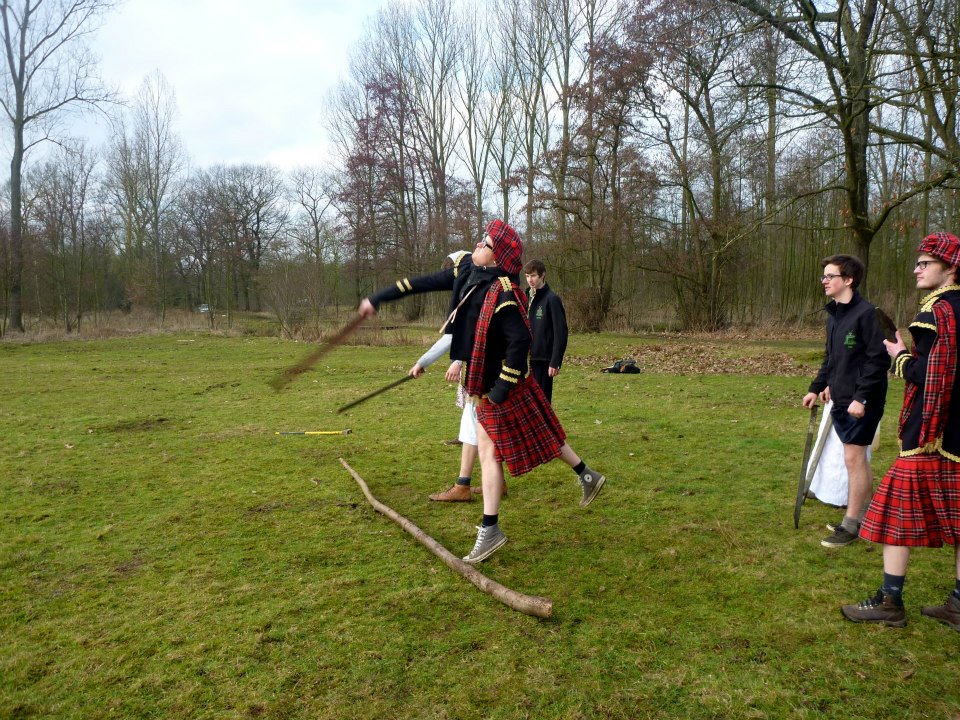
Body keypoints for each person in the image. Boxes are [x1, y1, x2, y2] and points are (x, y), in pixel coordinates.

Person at [358, 220, 606, 564]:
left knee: (519, 440)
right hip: (482, 386)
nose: (478, 243)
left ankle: (492, 528)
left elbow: (521, 342)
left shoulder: (505, 292)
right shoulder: (465, 271)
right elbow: (419, 283)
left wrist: (502, 387)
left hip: (500, 385)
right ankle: (584, 477)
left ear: (497, 256)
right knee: (535, 432)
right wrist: (378, 297)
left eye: (486, 242)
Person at [841, 232, 960, 632]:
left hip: (930, 432)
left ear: (951, 268)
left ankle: (891, 601)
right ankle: (959, 605)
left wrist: (900, 355)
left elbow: (932, 373)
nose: (916, 268)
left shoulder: (938, 312)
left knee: (896, 515)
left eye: (925, 263)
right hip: (957, 431)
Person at [802, 254, 889, 548]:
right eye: (823, 276)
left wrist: (861, 397)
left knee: (854, 459)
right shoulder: (835, 315)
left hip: (861, 402)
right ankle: (864, 516)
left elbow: (877, 361)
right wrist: (816, 388)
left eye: (830, 276)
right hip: (839, 399)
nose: (824, 281)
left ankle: (852, 525)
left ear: (848, 280)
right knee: (855, 460)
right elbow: (832, 359)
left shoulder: (867, 314)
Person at [523, 259, 568, 403]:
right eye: (527, 276)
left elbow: (561, 333)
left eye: (534, 275)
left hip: (542, 360)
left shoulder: (552, 299)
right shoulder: (525, 298)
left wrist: (555, 362)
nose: (530, 279)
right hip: (524, 359)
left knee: (542, 402)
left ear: (543, 275)